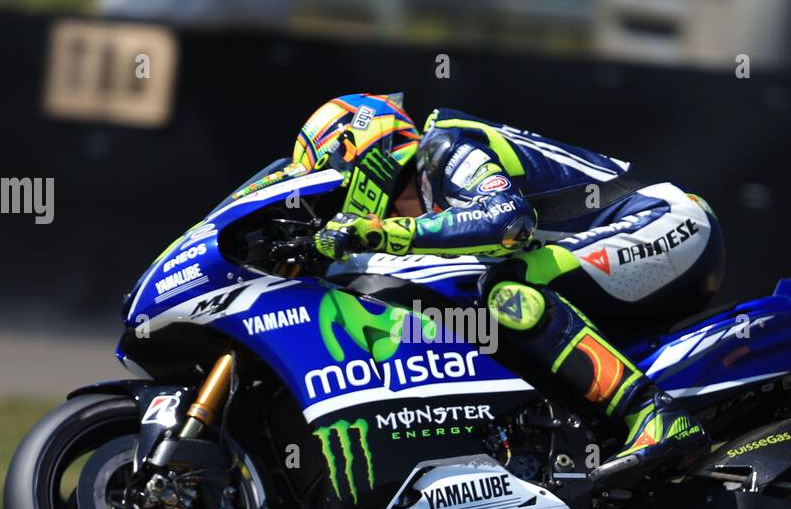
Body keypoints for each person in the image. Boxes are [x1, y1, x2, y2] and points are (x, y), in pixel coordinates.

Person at [293, 92, 725, 483]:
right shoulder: (425, 197)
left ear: (356, 153)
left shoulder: (444, 146)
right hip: (633, 249)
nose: (332, 207)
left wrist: (383, 233)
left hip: (667, 221)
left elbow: (507, 221)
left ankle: (652, 412)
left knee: (508, 287)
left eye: (331, 184)